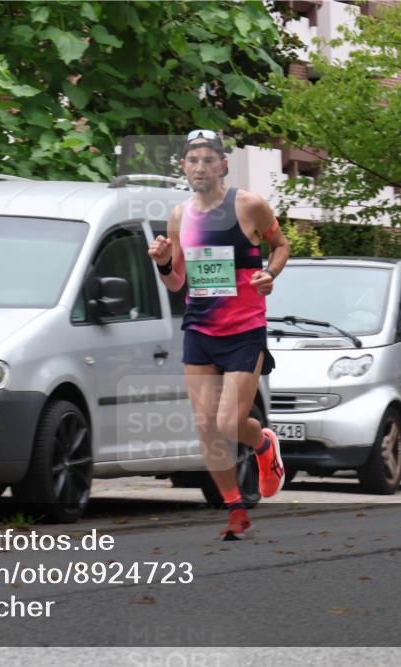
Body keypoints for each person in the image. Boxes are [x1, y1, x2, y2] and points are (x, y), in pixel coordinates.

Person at [148, 129, 291, 540]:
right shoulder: (180, 216)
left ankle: (263, 444)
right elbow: (178, 283)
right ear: (184, 168)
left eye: (209, 160)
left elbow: (280, 246)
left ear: (223, 166)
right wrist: (161, 263)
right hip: (200, 329)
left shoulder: (248, 205)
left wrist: (270, 272)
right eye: (193, 161)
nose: (200, 167)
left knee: (230, 424)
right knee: (206, 426)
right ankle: (234, 509)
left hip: (245, 330)